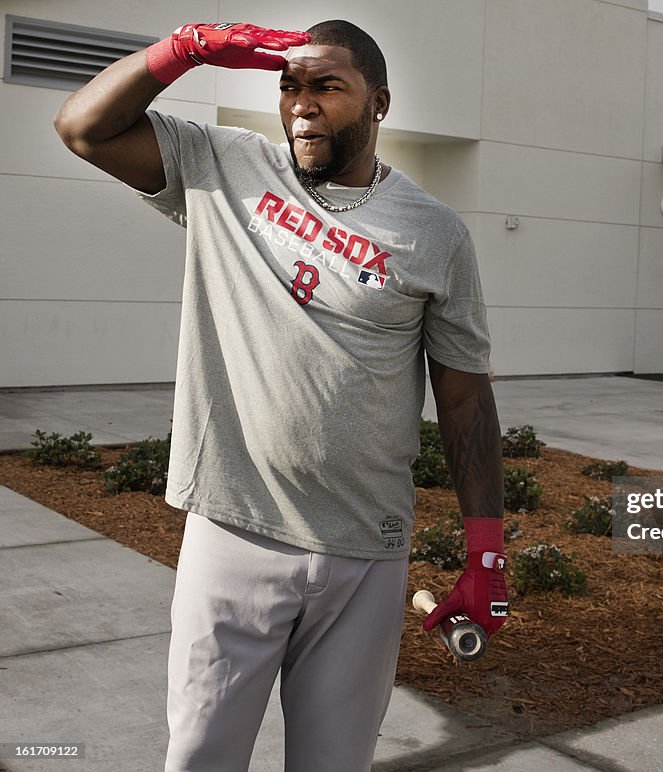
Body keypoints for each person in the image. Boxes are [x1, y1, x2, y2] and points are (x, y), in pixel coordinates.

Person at [54, 20, 508, 771]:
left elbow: (464, 399)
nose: (302, 104)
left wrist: (486, 552)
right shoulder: (222, 164)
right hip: (234, 528)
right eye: (290, 86)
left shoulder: (436, 234)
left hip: (366, 551)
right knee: (200, 755)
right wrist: (184, 51)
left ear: (379, 103)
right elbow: (84, 129)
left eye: (327, 86)